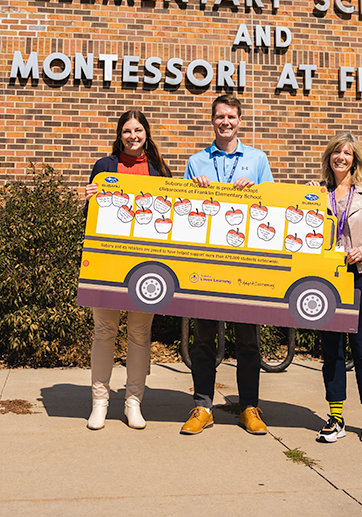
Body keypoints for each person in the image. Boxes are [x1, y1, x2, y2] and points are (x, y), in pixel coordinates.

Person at [180, 94, 274, 436]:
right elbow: (185, 213)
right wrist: (193, 190)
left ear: (239, 120)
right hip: (206, 260)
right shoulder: (196, 161)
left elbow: (272, 211)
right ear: (212, 120)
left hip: (245, 262)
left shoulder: (257, 159)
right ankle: (203, 405)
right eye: (220, 117)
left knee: (248, 339)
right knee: (203, 338)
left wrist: (256, 191)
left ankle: (249, 406)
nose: (226, 122)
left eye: (231, 117)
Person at [83, 110, 173, 430]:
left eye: (138, 130)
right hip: (108, 262)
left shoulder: (160, 171)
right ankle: (99, 402)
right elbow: (89, 218)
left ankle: (133, 402)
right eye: (127, 131)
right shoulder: (104, 167)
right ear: (119, 135)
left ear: (146, 133)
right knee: (104, 332)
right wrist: (89, 198)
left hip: (146, 266)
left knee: (139, 335)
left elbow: (173, 220)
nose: (133, 135)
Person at [309, 132, 362, 443]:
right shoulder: (319, 192)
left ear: (354, 158)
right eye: (336, 152)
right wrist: (307, 205)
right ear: (329, 158)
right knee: (331, 349)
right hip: (329, 279)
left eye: (347, 153)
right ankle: (335, 418)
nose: (341, 158)